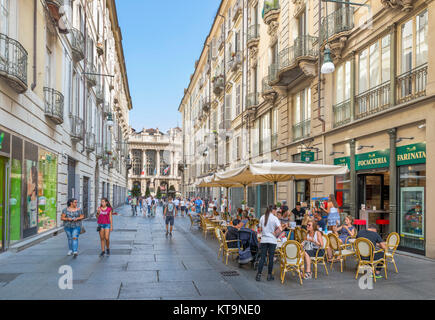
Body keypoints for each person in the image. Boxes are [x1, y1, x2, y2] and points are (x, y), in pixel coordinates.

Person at [256, 206, 283, 282]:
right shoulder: (274, 218)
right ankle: (269, 275)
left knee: (262, 257)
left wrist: (263, 233)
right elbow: (280, 229)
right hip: (272, 240)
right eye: (275, 210)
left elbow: (260, 229)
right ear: (273, 210)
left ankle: (259, 274)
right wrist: (275, 233)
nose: (276, 212)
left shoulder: (262, 217)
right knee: (271, 258)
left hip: (264, 240)